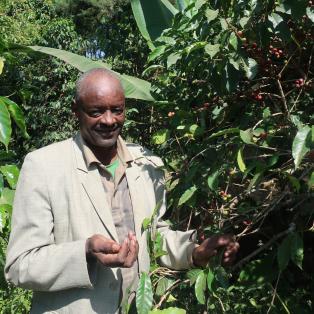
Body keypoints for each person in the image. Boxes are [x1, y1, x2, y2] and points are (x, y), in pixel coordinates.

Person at [5, 68, 239, 313]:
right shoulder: (43, 166)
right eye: (96, 112)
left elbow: (154, 237)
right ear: (76, 110)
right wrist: (85, 251)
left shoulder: (148, 164)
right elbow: (20, 265)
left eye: (117, 110)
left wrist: (194, 251)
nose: (108, 120)